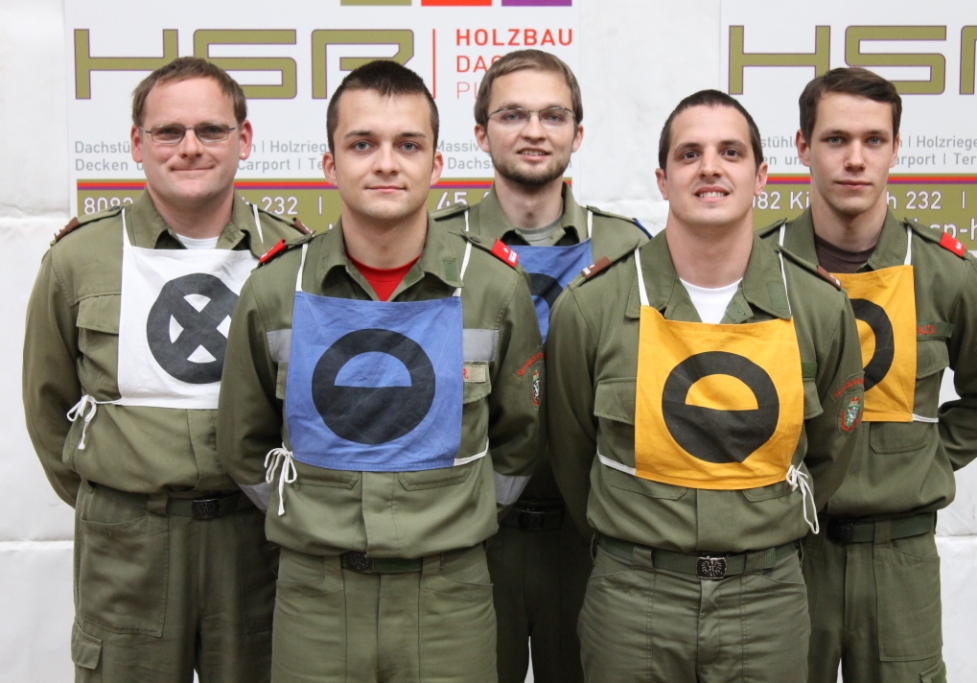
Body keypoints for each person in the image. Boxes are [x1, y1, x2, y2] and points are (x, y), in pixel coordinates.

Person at [216, 59, 544, 683]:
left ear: (437, 165)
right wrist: (307, 514)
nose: (386, 163)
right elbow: (242, 442)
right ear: (330, 164)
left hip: (449, 600)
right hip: (315, 601)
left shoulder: (494, 289)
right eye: (362, 144)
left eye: (408, 145)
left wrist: (455, 516)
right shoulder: (274, 289)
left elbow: (520, 441)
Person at [546, 89, 866, 683]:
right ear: (663, 180)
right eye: (689, 154)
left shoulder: (819, 308)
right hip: (633, 599)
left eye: (730, 152)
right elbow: (571, 452)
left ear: (761, 176)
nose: (710, 168)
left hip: (767, 602)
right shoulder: (591, 308)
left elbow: (830, 451)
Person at [23, 57, 308, 682]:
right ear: (137, 143)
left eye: (211, 130)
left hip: (256, 541)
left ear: (244, 139)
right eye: (168, 132)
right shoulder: (78, 259)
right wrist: (118, 493)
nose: (190, 148)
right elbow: (49, 409)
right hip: (129, 546)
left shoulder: (293, 258)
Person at [758, 67, 977, 683]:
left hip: (900, 559)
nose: (855, 159)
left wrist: (922, 461)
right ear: (802, 147)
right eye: (835, 139)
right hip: (786, 555)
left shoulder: (947, 273)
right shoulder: (758, 267)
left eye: (873, 140)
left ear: (896, 149)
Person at [432, 49, 648, 683]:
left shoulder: (630, 248)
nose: (534, 131)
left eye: (553, 115)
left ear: (577, 134)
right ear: (481, 134)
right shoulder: (435, 245)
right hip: (469, 539)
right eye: (512, 115)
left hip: (591, 539)